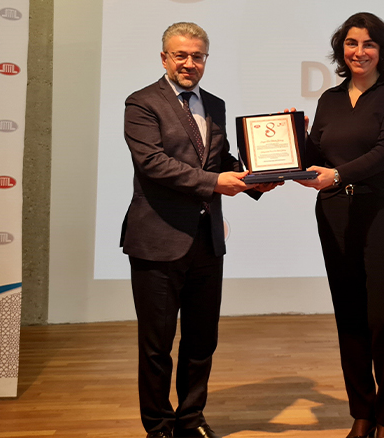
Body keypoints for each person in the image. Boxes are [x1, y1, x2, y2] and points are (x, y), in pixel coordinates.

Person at [121, 22, 278, 438]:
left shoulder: (215, 105)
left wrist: (256, 178)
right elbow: (153, 164)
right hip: (157, 240)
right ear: (164, 58)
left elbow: (220, 161)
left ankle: (191, 420)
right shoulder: (142, 103)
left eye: (198, 56)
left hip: (207, 241)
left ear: (206, 59)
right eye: (181, 55)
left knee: (201, 341)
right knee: (157, 346)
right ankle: (159, 426)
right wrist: (215, 183)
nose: (189, 63)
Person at [296, 12, 384, 438]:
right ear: (341, 49)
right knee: (349, 316)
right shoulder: (330, 99)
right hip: (336, 214)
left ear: (382, 51)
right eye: (351, 43)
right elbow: (316, 155)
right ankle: (361, 413)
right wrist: (291, 142)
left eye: (369, 44)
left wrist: (338, 175)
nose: (359, 52)